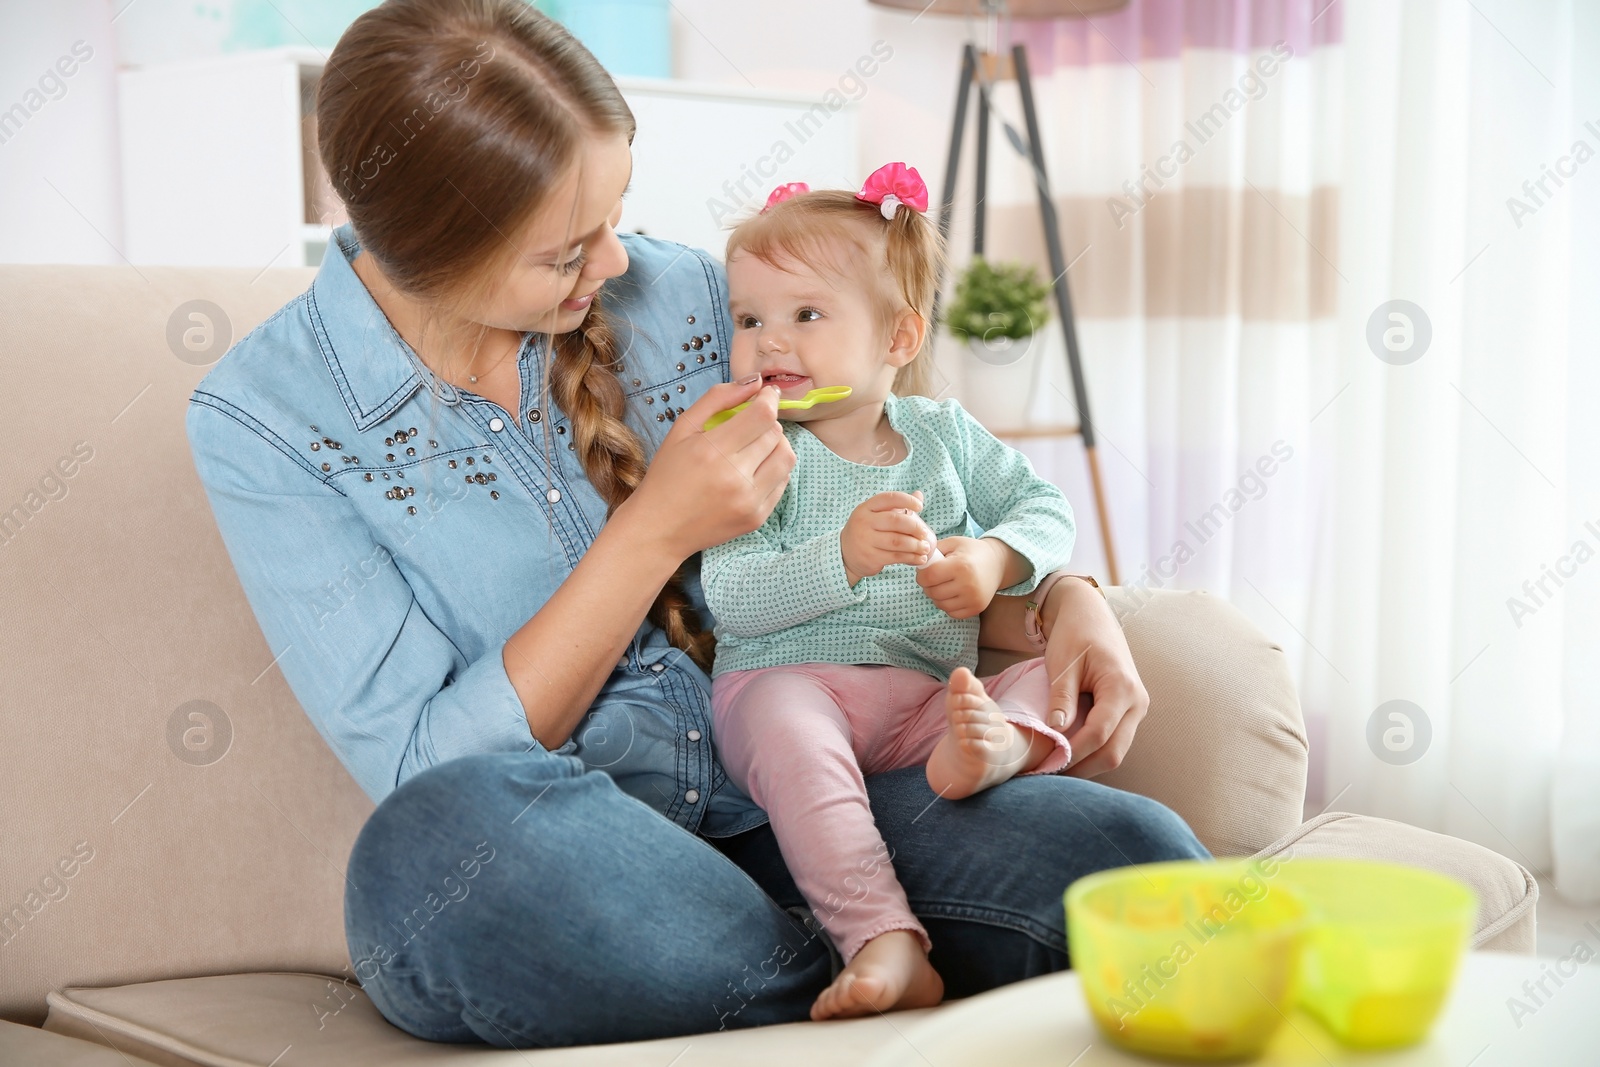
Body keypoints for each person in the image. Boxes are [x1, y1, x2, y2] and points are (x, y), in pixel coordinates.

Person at [185, 0, 1208, 1049]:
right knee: (434, 852)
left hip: (811, 793)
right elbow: (426, 762)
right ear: (429, 257)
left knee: (1138, 852)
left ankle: (850, 950)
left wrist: (1061, 603)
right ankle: (843, 955)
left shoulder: (701, 298)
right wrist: (653, 531)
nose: (619, 266)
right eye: (568, 251)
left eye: (614, 217)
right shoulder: (267, 422)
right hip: (593, 861)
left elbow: (894, 505)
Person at [704, 167, 1086, 1020]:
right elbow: (730, 595)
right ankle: (883, 938)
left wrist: (993, 558)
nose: (769, 342)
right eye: (748, 318)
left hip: (921, 706)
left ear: (899, 339)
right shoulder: (749, 442)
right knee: (788, 723)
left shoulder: (941, 434)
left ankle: (1004, 747)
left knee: (1028, 682)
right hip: (789, 684)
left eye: (805, 314)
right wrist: (839, 555)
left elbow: (1046, 508)